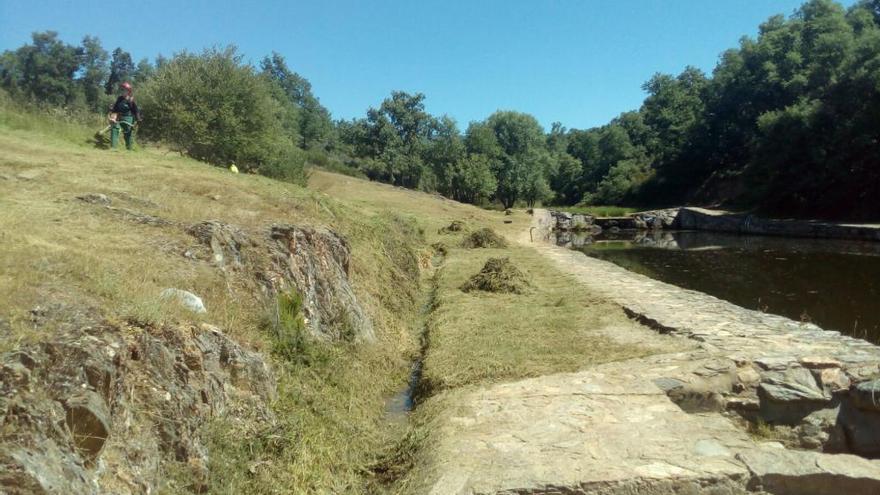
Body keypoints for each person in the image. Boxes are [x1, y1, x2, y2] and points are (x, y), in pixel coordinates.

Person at [108, 82, 142, 150]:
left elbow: (136, 110)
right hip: (119, 117)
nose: (122, 91)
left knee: (127, 133)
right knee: (114, 128)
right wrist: (112, 110)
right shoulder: (119, 99)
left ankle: (129, 149)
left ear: (128, 91)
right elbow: (115, 109)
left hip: (128, 118)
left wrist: (138, 119)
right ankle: (113, 148)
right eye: (122, 89)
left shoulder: (131, 100)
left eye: (124, 90)